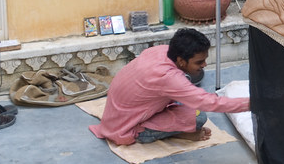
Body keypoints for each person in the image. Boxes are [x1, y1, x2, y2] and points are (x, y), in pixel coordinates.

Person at [89, 28, 249, 145]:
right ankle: (164, 133)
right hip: (125, 126)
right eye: (199, 62)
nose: (204, 65)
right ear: (181, 61)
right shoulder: (169, 78)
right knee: (198, 117)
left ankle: (171, 127)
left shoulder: (162, 51)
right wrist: (251, 104)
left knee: (187, 98)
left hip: (116, 113)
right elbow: (208, 102)